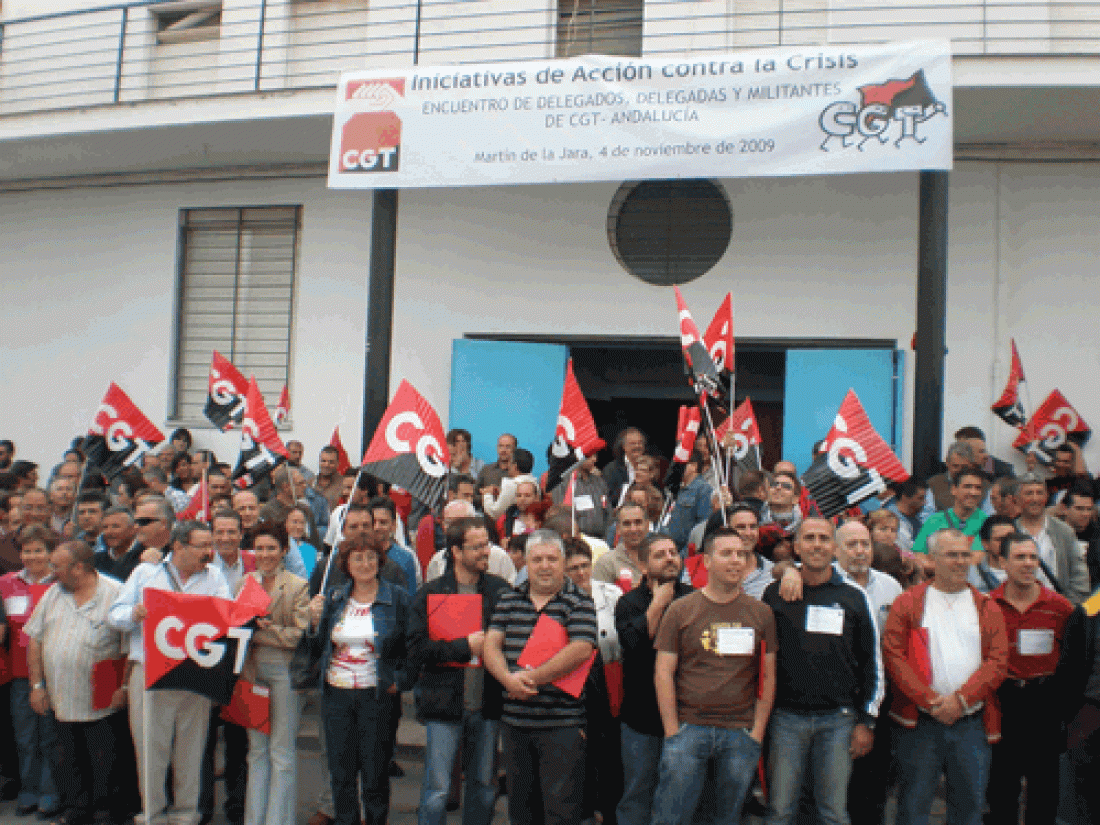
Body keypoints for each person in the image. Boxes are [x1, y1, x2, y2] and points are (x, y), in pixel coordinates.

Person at [107, 520, 231, 825]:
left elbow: (228, 619)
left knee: (191, 749)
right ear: (178, 546)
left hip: (195, 673)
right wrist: (134, 614)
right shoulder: (145, 573)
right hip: (150, 672)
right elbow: (114, 615)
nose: (209, 552)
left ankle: (185, 814)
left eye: (209, 545)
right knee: (150, 748)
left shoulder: (214, 576)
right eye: (201, 545)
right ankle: (152, 814)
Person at [650, 527, 776, 825]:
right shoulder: (681, 610)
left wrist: (756, 732)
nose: (736, 561)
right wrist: (672, 731)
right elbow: (663, 673)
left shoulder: (761, 613)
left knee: (727, 818)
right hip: (688, 730)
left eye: (742, 554)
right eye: (727, 554)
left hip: (739, 732)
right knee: (671, 817)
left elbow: (768, 676)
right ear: (706, 561)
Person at [883, 528, 1009, 825]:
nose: (960, 561)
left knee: (969, 809)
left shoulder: (986, 606)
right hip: (920, 724)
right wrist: (932, 701)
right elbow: (894, 655)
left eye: (965, 554)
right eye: (951, 554)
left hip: (971, 724)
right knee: (913, 807)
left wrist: (962, 700)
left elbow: (998, 661)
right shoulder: (908, 602)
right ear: (932, 560)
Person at [762, 517, 882, 825]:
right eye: (810, 538)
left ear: (834, 547)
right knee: (780, 810)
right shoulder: (774, 595)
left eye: (824, 538)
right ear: (797, 546)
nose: (817, 544)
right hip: (785, 719)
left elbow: (872, 662)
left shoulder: (854, 597)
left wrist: (866, 720)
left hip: (839, 720)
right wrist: (786, 570)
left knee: (834, 812)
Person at [483, 530, 598, 825]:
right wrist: (508, 680)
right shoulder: (508, 598)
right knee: (521, 811)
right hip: (515, 723)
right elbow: (491, 644)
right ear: (527, 564)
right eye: (537, 560)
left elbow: (581, 649)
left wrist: (530, 678)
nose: (545, 566)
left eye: (552, 559)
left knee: (561, 811)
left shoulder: (579, 601)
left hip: (562, 725)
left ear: (562, 562)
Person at [25, 540, 137, 825]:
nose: (51, 572)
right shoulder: (53, 593)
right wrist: (37, 687)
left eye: (57, 566)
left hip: (101, 696)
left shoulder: (115, 593)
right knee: (67, 758)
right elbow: (35, 639)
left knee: (105, 759)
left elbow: (129, 646)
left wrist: (123, 688)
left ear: (78, 568)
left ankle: (105, 811)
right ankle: (75, 809)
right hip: (60, 696)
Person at [408, 516, 510, 825]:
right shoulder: (431, 594)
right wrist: (464, 647)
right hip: (444, 703)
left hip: (487, 704)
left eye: (486, 545)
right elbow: (416, 650)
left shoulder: (500, 591)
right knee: (437, 790)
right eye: (477, 546)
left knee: (484, 786)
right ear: (455, 550)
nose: (485, 552)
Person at [307, 536, 412, 825]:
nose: (365, 564)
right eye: (357, 558)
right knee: (341, 775)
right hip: (336, 695)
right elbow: (315, 649)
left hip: (376, 696)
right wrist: (313, 623)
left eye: (370, 557)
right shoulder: (334, 598)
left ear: (379, 561)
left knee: (374, 776)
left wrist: (400, 681)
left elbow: (413, 646)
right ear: (346, 565)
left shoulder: (398, 598)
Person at [986, 532, 1073, 825]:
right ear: (1003, 562)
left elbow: (1074, 660)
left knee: (1045, 788)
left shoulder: (1060, 607)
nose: (1027, 564)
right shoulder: (988, 606)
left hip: (1045, 701)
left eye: (1032, 557)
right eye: (1019, 557)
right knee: (1001, 787)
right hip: (1003, 701)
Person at [613, 534, 692, 825]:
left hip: (686, 716)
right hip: (641, 718)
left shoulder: (695, 597)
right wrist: (657, 605)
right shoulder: (629, 603)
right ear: (644, 565)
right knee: (637, 794)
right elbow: (632, 643)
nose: (670, 558)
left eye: (673, 552)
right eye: (660, 555)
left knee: (680, 797)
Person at [238, 522, 309, 825]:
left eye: (271, 548)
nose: (265, 554)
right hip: (250, 674)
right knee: (256, 752)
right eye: (260, 548)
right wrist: (249, 630)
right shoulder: (244, 583)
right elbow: (233, 627)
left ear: (283, 550)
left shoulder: (296, 585)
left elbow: (300, 634)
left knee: (281, 753)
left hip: (284, 673)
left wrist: (262, 632)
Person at [563, 537, 623, 825]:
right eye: (573, 568)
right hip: (573, 684)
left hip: (609, 679)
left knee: (608, 752)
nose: (581, 573)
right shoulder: (559, 600)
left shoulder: (610, 594)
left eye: (585, 565)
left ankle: (607, 809)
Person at [3, 525, 60, 817]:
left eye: (39, 550)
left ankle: (50, 793)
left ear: (51, 553)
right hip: (19, 675)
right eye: (27, 550)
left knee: (50, 736)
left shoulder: (60, 584)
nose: (32, 556)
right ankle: (29, 790)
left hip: (52, 674)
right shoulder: (6, 583)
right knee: (25, 737)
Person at [1016, 471, 1090, 603]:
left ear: (1046, 496)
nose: (1035, 499)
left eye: (1039, 493)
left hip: (1057, 609)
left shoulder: (1064, 532)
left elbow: (1080, 576)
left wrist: (1068, 606)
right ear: (1018, 498)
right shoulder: (1010, 531)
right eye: (1029, 493)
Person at [911, 467, 987, 558]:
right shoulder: (934, 521)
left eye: (978, 488)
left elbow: (977, 558)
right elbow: (918, 555)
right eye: (967, 486)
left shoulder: (986, 523)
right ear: (954, 490)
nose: (973, 492)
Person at [663, 451, 712, 555]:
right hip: (668, 549)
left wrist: (684, 555)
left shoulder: (704, 490)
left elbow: (702, 527)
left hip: (684, 553)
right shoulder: (678, 488)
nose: (676, 469)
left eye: (680, 465)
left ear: (693, 466)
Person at [551, 452, 609, 540]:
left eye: (595, 456)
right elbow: (561, 516)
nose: (595, 459)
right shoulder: (562, 483)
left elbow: (608, 512)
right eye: (590, 456)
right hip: (575, 540)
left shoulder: (599, 482)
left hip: (602, 540)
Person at [592, 502, 649, 592]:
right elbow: (600, 602)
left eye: (638, 522)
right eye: (627, 524)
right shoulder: (606, 563)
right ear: (618, 529)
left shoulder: (660, 557)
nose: (633, 529)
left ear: (647, 526)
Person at [968, 514, 1016, 593]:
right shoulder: (971, 575)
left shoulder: (1029, 568)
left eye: (1011, 538)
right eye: (1000, 539)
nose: (1007, 543)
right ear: (985, 544)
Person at [286, 504, 321, 579]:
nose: (298, 527)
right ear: (285, 523)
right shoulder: (281, 548)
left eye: (302, 523)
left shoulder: (311, 550)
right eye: (294, 522)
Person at [314, 447, 345, 513]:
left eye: (331, 462)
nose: (326, 465)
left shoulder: (345, 484)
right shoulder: (310, 482)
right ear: (319, 462)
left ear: (338, 463)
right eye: (323, 461)